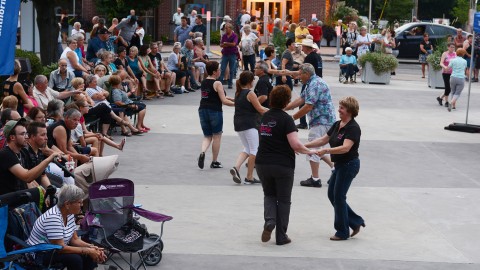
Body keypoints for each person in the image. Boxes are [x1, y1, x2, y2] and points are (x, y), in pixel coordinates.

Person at [257, 85, 317, 245]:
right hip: (282, 164)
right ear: (286, 102)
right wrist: (308, 151)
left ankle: (270, 220)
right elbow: (295, 144)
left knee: (269, 195)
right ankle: (281, 236)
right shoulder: (287, 119)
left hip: (262, 162)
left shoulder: (265, 117)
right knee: (283, 200)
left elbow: (268, 138)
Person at [305, 96, 365, 241]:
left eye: (342, 108)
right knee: (333, 195)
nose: (339, 110)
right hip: (340, 165)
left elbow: (345, 148)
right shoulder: (338, 124)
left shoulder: (353, 128)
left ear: (350, 111)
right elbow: (323, 139)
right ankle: (355, 222)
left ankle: (342, 232)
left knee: (338, 196)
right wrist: (303, 146)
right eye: (339, 107)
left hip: (349, 165)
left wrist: (326, 151)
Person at [27, 185, 106, 269]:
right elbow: (60, 248)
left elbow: (74, 240)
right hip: (41, 253)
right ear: (67, 204)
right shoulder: (53, 218)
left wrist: (92, 248)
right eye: (79, 202)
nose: (82, 205)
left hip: (55, 250)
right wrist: (88, 250)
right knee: (75, 259)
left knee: (88, 255)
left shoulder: (69, 214)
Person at [284, 63, 335, 187]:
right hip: (324, 120)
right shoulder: (312, 83)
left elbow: (308, 106)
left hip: (321, 121)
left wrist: (292, 118)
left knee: (312, 148)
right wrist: (284, 108)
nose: (299, 76)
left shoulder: (314, 84)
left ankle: (315, 179)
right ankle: (334, 168)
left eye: (300, 74)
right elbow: (301, 99)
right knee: (318, 148)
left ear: (307, 74)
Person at [0, 118, 59, 195]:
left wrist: (44, 192)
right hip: (9, 202)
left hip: (21, 196)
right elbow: (27, 177)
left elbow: (31, 180)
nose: (26, 137)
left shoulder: (21, 153)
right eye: (22, 134)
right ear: (12, 138)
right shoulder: (6, 154)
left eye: (26, 133)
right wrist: (49, 159)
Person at [230, 71, 268, 184]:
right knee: (254, 150)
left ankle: (236, 167)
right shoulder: (250, 93)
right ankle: (249, 176)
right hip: (249, 124)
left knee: (247, 148)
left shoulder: (238, 92)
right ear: (250, 82)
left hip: (238, 124)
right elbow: (260, 109)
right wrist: (275, 112)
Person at [197, 61, 235, 169]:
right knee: (217, 136)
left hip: (202, 110)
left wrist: (233, 99)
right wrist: (238, 104)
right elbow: (223, 100)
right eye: (219, 69)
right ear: (214, 72)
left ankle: (203, 152)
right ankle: (214, 161)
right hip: (215, 111)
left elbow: (215, 96)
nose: (220, 71)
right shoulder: (217, 83)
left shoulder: (204, 82)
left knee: (207, 136)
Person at [219, 23, 239, 89]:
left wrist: (226, 43)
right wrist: (227, 44)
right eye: (225, 28)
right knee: (222, 68)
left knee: (232, 69)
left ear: (230, 28)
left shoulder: (234, 35)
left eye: (227, 28)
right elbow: (221, 45)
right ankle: (220, 83)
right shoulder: (224, 36)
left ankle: (230, 83)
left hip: (232, 54)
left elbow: (234, 44)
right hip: (225, 53)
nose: (225, 29)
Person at [437, 43, 457, 107]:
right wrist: (445, 67)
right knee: (447, 87)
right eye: (451, 47)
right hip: (445, 73)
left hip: (453, 73)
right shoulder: (445, 53)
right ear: (448, 47)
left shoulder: (455, 54)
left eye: (453, 47)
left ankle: (440, 98)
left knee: (450, 88)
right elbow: (441, 63)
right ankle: (446, 101)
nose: (452, 48)